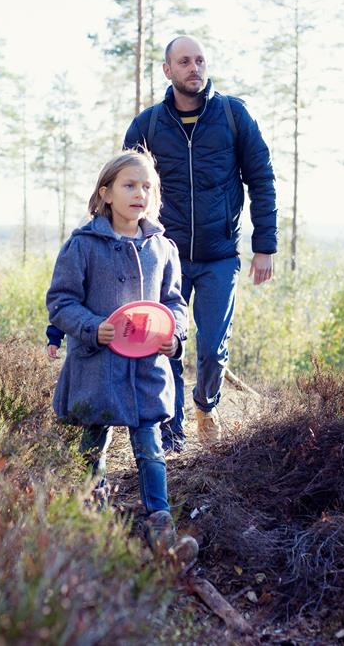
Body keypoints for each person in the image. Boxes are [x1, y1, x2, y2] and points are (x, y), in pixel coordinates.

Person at [123, 35, 277, 453]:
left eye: (200, 60)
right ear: (167, 70)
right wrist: (125, 248)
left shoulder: (232, 115)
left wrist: (265, 246)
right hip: (164, 258)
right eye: (185, 61)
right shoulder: (148, 125)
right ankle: (171, 432)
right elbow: (125, 190)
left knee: (211, 349)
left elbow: (261, 179)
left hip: (218, 255)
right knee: (164, 344)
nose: (195, 68)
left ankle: (205, 406)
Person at [46, 148, 196, 559]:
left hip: (147, 368)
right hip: (100, 367)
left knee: (150, 444)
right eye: (129, 185)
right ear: (106, 193)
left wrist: (175, 336)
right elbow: (60, 301)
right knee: (94, 442)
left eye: (147, 186)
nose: (139, 193)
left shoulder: (162, 247)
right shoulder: (84, 246)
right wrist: (94, 327)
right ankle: (91, 520)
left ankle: (160, 523)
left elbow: (175, 302)